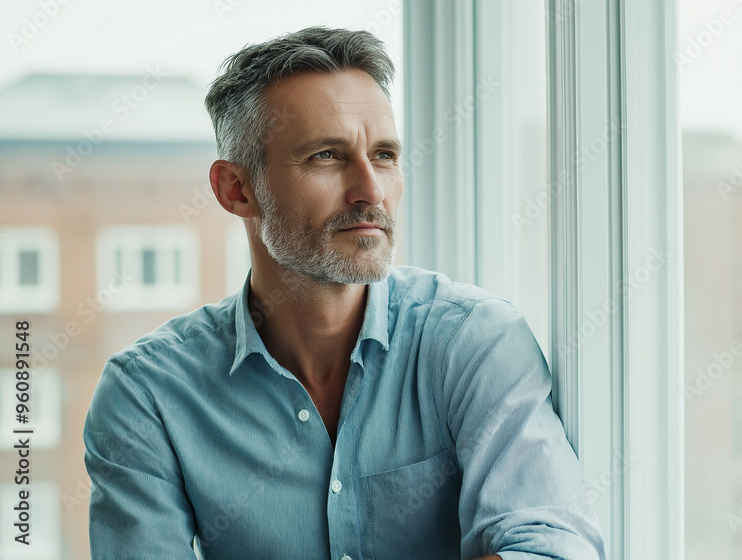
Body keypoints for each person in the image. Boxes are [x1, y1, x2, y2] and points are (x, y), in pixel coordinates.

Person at [84, 26, 606, 560]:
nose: (371, 190)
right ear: (236, 189)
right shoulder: (146, 395)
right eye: (327, 156)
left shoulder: (473, 343)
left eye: (383, 155)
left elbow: (552, 548)